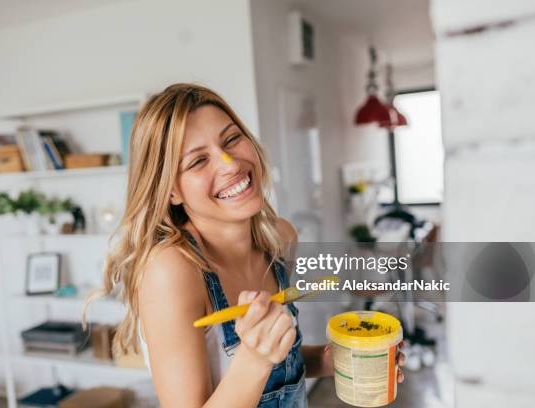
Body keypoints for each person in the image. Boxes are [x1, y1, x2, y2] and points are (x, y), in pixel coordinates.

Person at [86, 83, 404, 407]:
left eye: (232, 139)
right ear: (171, 192)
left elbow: (282, 366)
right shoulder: (171, 271)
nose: (229, 164)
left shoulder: (280, 238)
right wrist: (253, 359)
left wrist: (330, 360)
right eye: (198, 161)